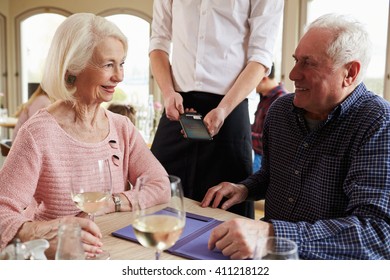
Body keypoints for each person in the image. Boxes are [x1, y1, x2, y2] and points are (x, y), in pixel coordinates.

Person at [201, 13, 390, 260]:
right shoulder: (280, 111)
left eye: (308, 63)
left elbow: (377, 234)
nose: (292, 74)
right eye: (295, 60)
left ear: (350, 73)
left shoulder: (378, 123)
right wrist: (244, 188)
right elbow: (273, 175)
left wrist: (271, 236)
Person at [0, 13, 170, 259]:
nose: (119, 76)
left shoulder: (122, 127)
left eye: (121, 63)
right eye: (108, 64)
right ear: (73, 68)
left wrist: (110, 202)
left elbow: (160, 185)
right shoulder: (37, 134)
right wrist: (45, 234)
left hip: (117, 251)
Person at [149, 0, 284, 218]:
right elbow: (158, 43)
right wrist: (167, 93)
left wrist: (223, 109)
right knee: (155, 203)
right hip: (177, 109)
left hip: (229, 111)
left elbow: (260, 56)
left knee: (226, 212)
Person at [251, 63, 287, 173]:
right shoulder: (265, 98)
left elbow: (272, 139)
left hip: (266, 160)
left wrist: (244, 136)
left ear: (264, 78)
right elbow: (259, 128)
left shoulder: (280, 101)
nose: (250, 84)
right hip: (258, 156)